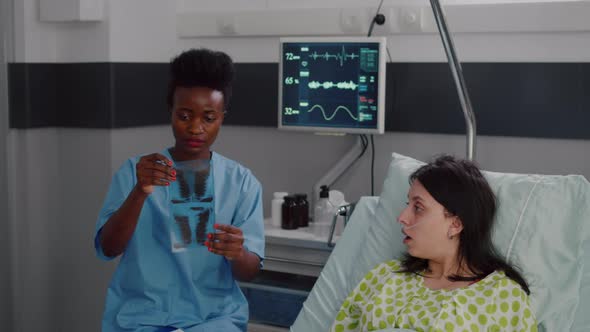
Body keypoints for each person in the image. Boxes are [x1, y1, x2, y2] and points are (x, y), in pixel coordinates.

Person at [94, 49, 264, 332]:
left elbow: (250, 270)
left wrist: (238, 253)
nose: (196, 128)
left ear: (222, 117)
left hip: (213, 320)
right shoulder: (135, 172)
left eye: (208, 118)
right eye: (184, 116)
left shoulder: (242, 183)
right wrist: (140, 192)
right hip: (142, 320)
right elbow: (108, 248)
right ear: (170, 112)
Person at [330, 155, 538, 331]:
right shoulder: (384, 277)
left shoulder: (501, 297)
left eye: (418, 208)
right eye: (407, 204)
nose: (402, 217)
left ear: (456, 224)